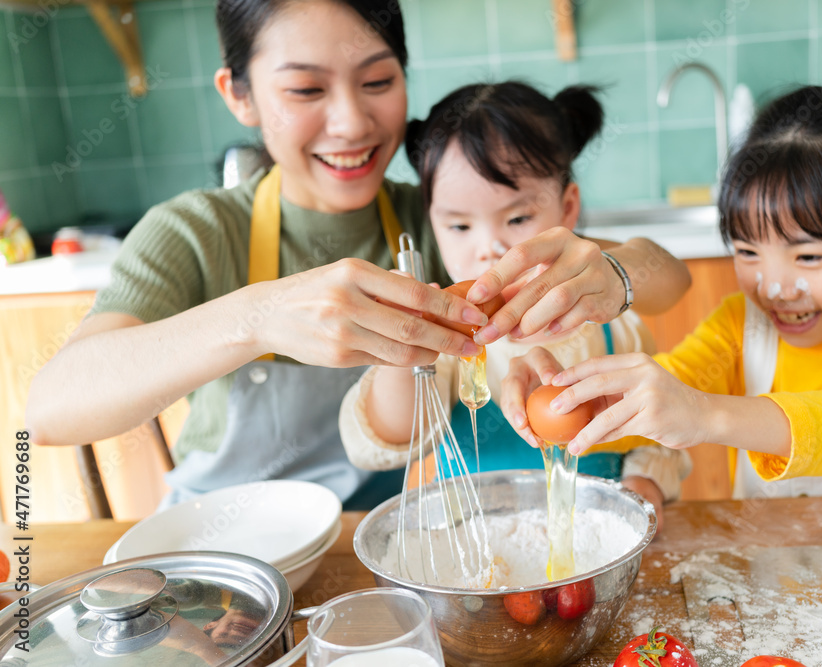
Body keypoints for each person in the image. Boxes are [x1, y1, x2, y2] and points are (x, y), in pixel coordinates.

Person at [24, 0, 684, 510]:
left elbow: (663, 274)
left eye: (376, 81)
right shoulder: (198, 230)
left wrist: (616, 275)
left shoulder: (443, 225)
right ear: (240, 95)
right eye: (306, 91)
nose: (351, 123)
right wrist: (258, 317)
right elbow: (52, 409)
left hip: (367, 543)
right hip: (226, 550)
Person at [501, 67, 822, 498]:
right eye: (748, 252)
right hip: (771, 573)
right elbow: (660, 397)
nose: (775, 287)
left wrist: (707, 414)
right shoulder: (739, 327)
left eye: (809, 256)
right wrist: (566, 399)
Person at [339, 82, 693, 512]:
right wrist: (404, 351)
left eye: (518, 217)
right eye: (459, 227)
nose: (488, 248)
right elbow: (385, 438)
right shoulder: (447, 341)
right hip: (480, 551)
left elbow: (652, 434)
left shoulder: (611, 321)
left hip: (598, 539)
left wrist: (646, 482)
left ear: (566, 209)